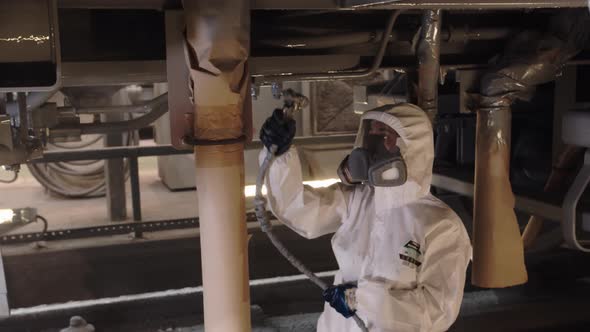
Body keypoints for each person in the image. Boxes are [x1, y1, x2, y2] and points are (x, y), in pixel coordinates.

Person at [259, 103, 472, 332]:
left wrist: (360, 300)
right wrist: (278, 155)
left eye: (383, 133)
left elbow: (439, 310)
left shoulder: (441, 226)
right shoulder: (358, 200)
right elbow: (297, 209)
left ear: (411, 146)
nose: (373, 142)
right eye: (371, 132)